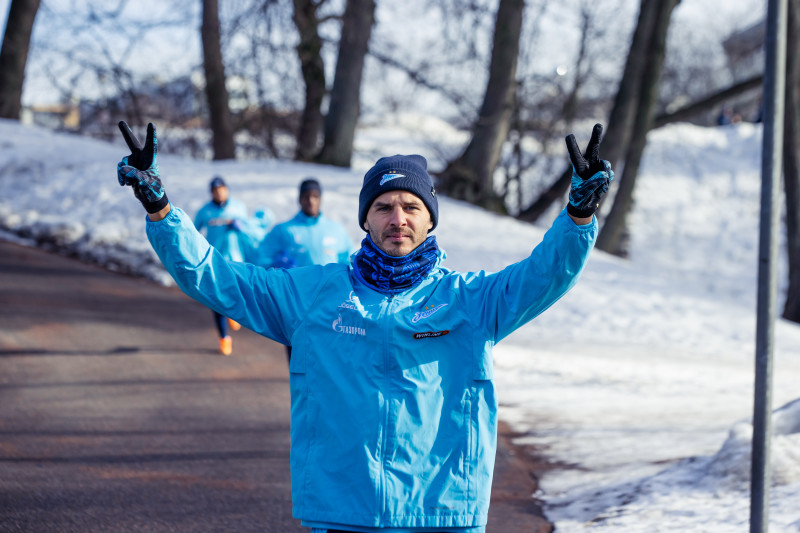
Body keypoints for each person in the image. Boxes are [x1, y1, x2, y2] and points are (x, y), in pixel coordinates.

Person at [116, 120, 612, 533]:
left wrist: (578, 216)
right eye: (384, 206)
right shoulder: (313, 296)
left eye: (411, 207)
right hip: (342, 514)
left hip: (441, 514)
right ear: (365, 220)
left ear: (430, 221)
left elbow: (545, 275)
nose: (398, 218)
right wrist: (161, 210)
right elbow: (217, 278)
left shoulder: (469, 301)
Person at [257, 177, 354, 361]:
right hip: (294, 306)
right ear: (299, 199)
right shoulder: (284, 230)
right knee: (299, 362)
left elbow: (351, 265)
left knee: (328, 361)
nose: (310, 200)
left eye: (315, 196)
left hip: (329, 306)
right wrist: (276, 265)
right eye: (306, 196)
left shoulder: (336, 230)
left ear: (321, 199)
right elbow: (259, 259)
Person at [193, 175, 250, 356]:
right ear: (211, 193)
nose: (219, 193)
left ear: (227, 189)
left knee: (239, 292)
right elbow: (193, 232)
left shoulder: (238, 207)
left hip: (236, 259)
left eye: (221, 189)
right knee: (216, 299)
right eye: (215, 190)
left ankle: (234, 313)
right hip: (215, 261)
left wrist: (242, 227)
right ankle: (224, 338)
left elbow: (250, 230)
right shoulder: (205, 212)